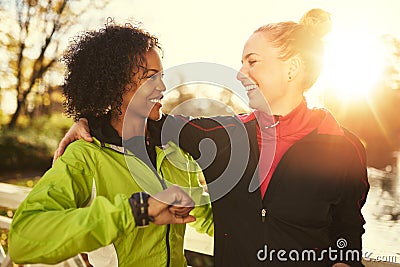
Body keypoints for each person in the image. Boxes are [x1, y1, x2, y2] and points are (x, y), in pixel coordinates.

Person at [54, 9, 369, 267]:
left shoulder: (345, 147)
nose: (240, 73)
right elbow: (137, 118)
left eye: (252, 61)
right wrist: (87, 121)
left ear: (293, 68)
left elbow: (348, 229)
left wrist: (345, 261)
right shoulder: (220, 135)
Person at [8, 19, 213, 267]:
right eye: (150, 78)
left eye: (161, 76)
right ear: (115, 85)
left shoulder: (174, 150)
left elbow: (208, 217)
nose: (162, 87)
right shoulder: (85, 156)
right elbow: (23, 240)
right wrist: (137, 210)